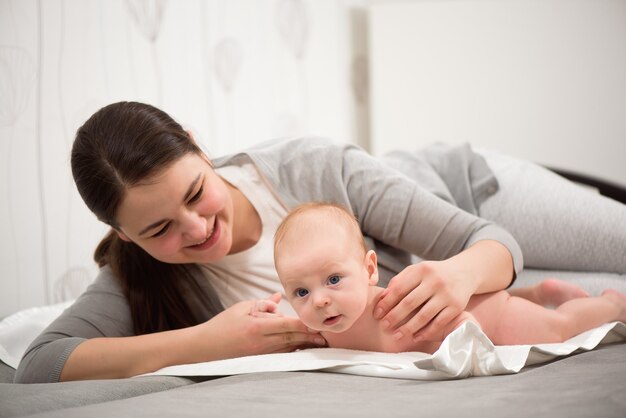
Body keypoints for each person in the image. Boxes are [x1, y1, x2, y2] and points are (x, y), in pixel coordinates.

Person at [14, 101, 626, 383]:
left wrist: (462, 273)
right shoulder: (140, 272)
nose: (196, 230)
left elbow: (491, 243)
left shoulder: (311, 168)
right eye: (158, 229)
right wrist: (204, 343)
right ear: (123, 234)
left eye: (196, 192)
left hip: (472, 194)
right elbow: (41, 364)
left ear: (199, 148)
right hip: (477, 300)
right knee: (604, 305)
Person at [253, 202, 626, 353]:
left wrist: (465, 330)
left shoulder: (391, 304)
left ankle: (608, 304)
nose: (319, 300)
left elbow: (458, 319)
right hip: (483, 305)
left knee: (554, 331)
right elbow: (290, 339)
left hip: (488, 316)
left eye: (334, 280)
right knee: (529, 312)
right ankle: (538, 291)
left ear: (370, 270)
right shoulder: (321, 329)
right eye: (301, 291)